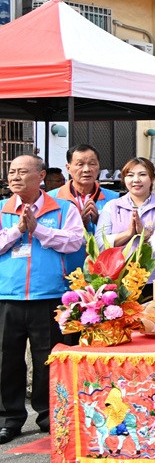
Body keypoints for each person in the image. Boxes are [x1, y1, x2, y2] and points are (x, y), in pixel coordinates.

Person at [0, 154, 84, 443]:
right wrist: (18, 230)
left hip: (50, 295)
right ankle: (10, 418)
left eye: (22, 171)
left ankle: (49, 414)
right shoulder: (2, 209)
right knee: (6, 359)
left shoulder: (62, 208)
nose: (14, 177)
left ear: (41, 176)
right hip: (7, 296)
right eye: (12, 172)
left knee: (47, 358)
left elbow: (74, 241)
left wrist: (39, 229)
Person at [97, 157, 155, 270]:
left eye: (142, 174)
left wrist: (147, 236)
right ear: (124, 179)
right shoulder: (112, 206)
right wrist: (128, 234)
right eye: (130, 175)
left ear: (152, 178)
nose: (136, 179)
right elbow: (99, 243)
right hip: (119, 278)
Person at [55, 145, 119, 255]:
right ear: (68, 168)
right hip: (66, 264)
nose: (86, 169)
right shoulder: (52, 198)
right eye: (80, 164)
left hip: (102, 266)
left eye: (92, 164)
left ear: (98, 166)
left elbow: (119, 234)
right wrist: (79, 224)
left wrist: (100, 222)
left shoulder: (114, 198)